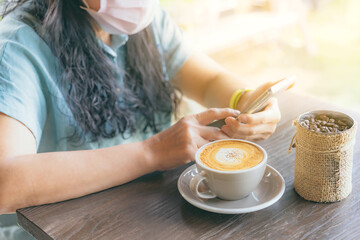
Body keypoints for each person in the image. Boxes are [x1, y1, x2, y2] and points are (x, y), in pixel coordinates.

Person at [0, 0, 281, 239]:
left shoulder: (147, 23)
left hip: (156, 219)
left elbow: (208, 81)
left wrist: (245, 100)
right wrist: (151, 152)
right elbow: (6, 181)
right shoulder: (17, 46)